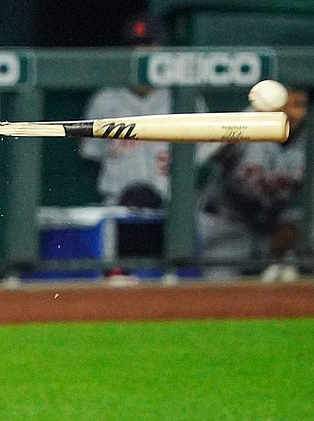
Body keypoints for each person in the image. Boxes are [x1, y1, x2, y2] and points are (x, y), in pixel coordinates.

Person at [78, 11, 207, 281]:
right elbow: (92, 158)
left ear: (161, 48)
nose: (141, 52)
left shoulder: (183, 97)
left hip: (173, 209)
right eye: (134, 46)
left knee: (180, 283)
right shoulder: (105, 99)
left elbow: (203, 159)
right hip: (118, 211)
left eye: (149, 44)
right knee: (112, 284)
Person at [197, 87, 309, 282]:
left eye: (298, 105)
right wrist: (247, 120)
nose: (290, 112)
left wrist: (295, 225)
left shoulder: (307, 141)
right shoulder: (250, 125)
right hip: (226, 224)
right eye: (284, 105)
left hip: (273, 228)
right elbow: (203, 156)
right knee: (217, 293)